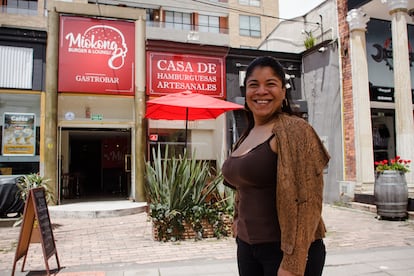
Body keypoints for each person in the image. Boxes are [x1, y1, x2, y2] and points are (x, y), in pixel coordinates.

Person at [222, 56, 330, 276]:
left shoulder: (295, 130)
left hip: (284, 251)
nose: (261, 91)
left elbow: (308, 200)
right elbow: (243, 186)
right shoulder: (247, 134)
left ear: (283, 91)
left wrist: (293, 262)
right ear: (246, 92)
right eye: (254, 85)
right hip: (248, 247)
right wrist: (237, 221)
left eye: (270, 84)